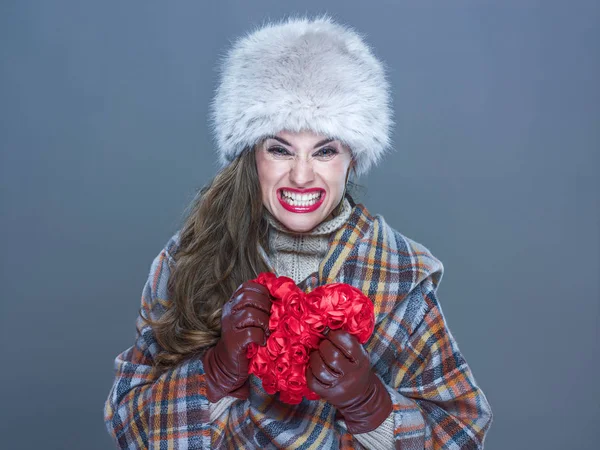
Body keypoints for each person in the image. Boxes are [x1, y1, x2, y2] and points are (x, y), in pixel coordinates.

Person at [104, 15, 493, 449]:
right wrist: (214, 373)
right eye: (280, 149)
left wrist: (372, 405)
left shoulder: (401, 276)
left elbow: (460, 433)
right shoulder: (189, 260)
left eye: (325, 150)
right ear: (251, 156)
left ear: (352, 159)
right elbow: (127, 426)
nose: (302, 176)